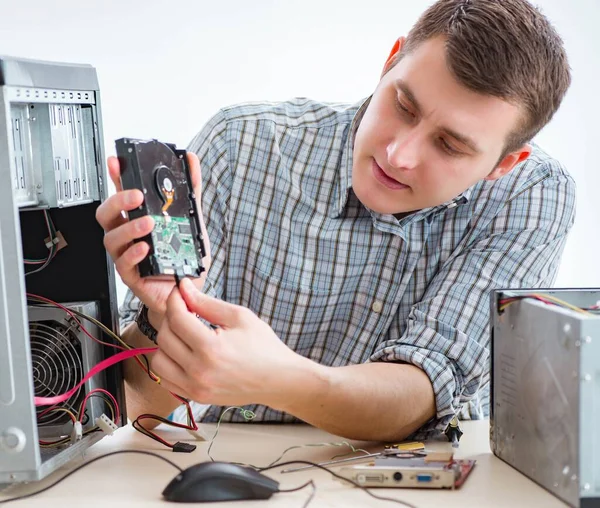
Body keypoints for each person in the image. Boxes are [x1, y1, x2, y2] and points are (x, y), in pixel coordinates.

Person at [96, 0, 575, 442]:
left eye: (449, 145)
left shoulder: (530, 194)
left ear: (502, 165)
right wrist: (162, 317)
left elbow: (425, 388)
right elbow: (130, 405)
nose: (398, 154)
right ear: (389, 62)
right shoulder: (241, 146)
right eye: (403, 106)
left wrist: (280, 380)